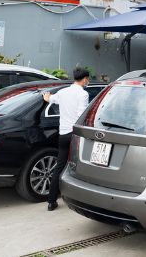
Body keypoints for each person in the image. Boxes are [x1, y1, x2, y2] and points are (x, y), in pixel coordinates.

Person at [43, 68, 90, 211]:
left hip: (63, 134)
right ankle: (83, 199)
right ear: (84, 79)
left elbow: (50, 99)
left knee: (59, 166)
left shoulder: (63, 92)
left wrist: (46, 96)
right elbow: (81, 115)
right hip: (75, 135)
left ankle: (51, 201)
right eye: (87, 79)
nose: (88, 81)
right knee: (81, 166)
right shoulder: (83, 94)